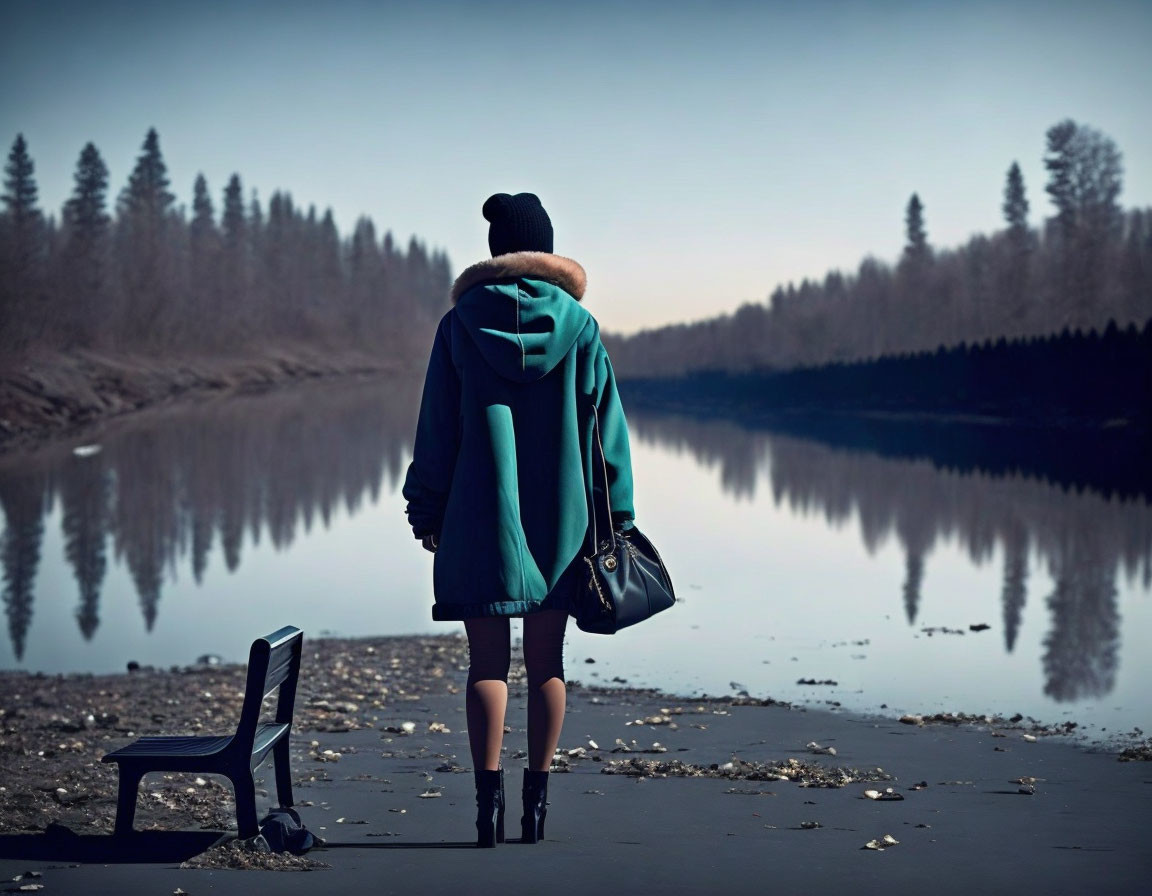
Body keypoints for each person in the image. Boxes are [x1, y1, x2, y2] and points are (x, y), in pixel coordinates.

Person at [402, 192, 635, 848]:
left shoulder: (458, 327)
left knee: (485, 664)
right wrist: (616, 517)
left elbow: (436, 433)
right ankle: (536, 808)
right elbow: (607, 436)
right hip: (565, 527)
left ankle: (486, 813)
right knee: (547, 661)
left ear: (494, 251)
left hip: (480, 520)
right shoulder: (581, 328)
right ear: (546, 249)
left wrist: (426, 510)